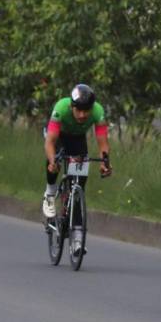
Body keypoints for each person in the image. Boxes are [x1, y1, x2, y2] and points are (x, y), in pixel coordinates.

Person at [43, 84, 112, 257]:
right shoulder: (61, 108)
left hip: (77, 139)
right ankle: (50, 193)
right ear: (71, 107)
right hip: (58, 136)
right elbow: (50, 142)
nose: (82, 115)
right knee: (55, 162)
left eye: (86, 111)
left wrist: (105, 162)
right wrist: (52, 160)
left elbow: (102, 141)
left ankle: (77, 242)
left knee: (78, 186)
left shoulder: (98, 111)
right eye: (78, 110)